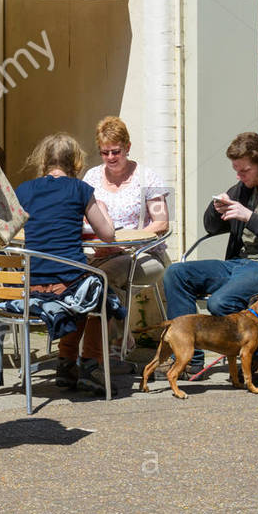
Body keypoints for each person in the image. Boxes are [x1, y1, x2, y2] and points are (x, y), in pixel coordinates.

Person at [161, 131, 258, 381]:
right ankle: (190, 358)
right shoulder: (244, 188)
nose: (239, 177)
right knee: (177, 274)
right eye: (236, 171)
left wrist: (249, 217)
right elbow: (212, 227)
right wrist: (216, 208)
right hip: (237, 264)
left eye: (244, 171)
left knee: (220, 303)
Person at [4, 134, 118, 391]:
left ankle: (66, 363)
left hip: (33, 286)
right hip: (67, 284)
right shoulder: (80, 190)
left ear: (43, 160)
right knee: (100, 292)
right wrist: (104, 211)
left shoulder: (24, 190)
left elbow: (9, 230)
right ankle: (91, 364)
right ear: (76, 162)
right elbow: (107, 235)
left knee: (83, 289)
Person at [82, 116, 171, 346]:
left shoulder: (146, 177)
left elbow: (161, 223)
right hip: (100, 252)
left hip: (143, 254)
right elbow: (83, 218)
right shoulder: (92, 177)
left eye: (116, 151)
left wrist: (127, 245)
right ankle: (102, 343)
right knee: (75, 277)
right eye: (105, 152)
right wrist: (98, 245)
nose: (110, 158)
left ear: (128, 148)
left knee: (103, 279)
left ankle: (113, 343)